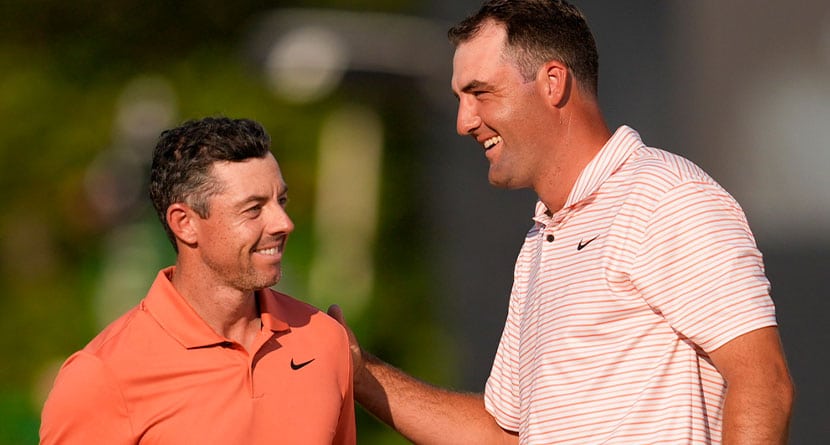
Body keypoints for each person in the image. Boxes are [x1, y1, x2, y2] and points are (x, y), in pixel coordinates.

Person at [327, 0, 795, 443]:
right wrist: (359, 372)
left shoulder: (665, 197)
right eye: (460, 98)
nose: (464, 121)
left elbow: (763, 384)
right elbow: (503, 435)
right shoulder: (543, 235)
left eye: (480, 93)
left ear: (553, 82)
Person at [40, 117, 356, 444]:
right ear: (185, 224)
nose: (284, 223)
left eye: (281, 201)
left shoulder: (326, 340)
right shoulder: (101, 376)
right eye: (253, 209)